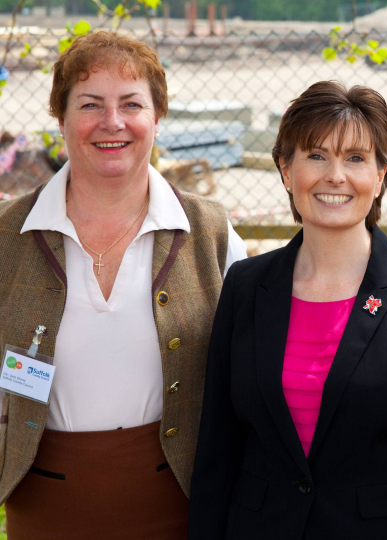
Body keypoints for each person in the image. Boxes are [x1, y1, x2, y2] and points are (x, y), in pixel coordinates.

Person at [188, 80, 387, 540]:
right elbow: (217, 450)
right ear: (286, 170)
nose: (335, 175)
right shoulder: (245, 286)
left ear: (381, 175)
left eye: (356, 158)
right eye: (316, 155)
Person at [0, 31, 246, 539]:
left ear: (157, 117)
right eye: (90, 104)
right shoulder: (7, 236)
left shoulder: (211, 234)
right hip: (43, 512)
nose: (112, 123)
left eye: (131, 104)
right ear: (61, 119)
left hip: (180, 509)